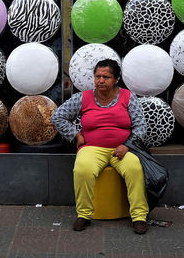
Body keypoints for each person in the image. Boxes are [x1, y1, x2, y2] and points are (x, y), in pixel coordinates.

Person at [50, 59, 150, 234]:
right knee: (82, 169)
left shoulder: (127, 96)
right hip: (92, 148)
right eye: (98, 76)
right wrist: (75, 135)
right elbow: (58, 116)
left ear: (116, 79)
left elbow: (140, 125)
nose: (101, 80)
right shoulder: (83, 97)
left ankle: (139, 217)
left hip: (122, 149)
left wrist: (127, 145)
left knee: (134, 169)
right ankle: (84, 214)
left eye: (106, 77)